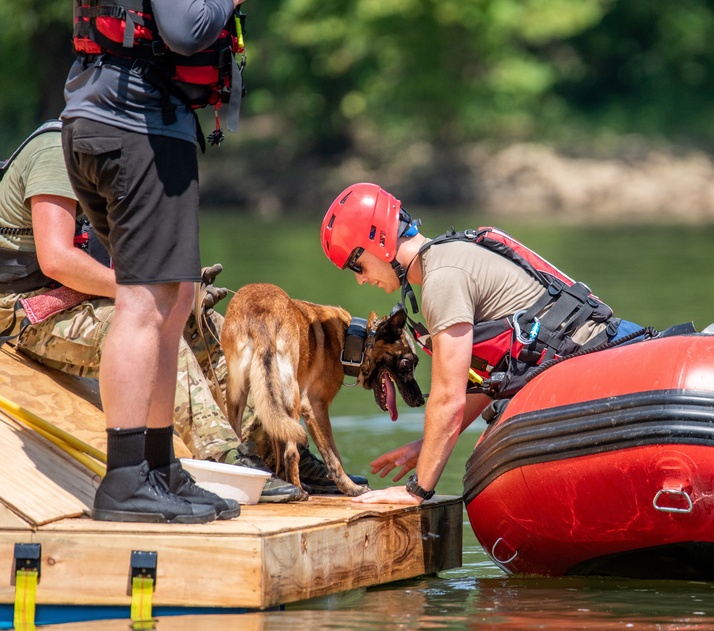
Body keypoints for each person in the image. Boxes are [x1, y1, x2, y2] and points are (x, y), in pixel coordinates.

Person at [319, 182, 648, 505]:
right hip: (611, 353)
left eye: (356, 265)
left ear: (380, 241)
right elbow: (487, 378)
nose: (360, 279)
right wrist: (427, 445)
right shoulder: (450, 255)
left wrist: (415, 491)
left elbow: (449, 397)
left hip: (613, 364)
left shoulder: (442, 278)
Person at [59, 0, 251, 523]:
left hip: (110, 120)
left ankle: (157, 465)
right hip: (133, 128)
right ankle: (124, 479)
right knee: (144, 302)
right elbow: (186, 30)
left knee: (173, 295)